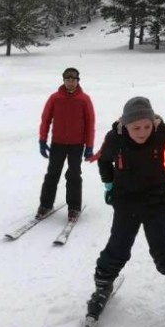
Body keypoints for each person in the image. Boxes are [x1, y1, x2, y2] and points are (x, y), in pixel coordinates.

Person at [85, 96, 165, 327]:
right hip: (125, 202)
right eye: (136, 127)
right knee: (117, 249)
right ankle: (102, 287)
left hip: (156, 202)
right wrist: (109, 183)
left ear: (153, 122)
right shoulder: (115, 137)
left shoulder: (164, 135)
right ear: (126, 124)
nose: (142, 132)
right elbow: (104, 161)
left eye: (147, 126)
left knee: (163, 253)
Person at [36, 67, 96, 222]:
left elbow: (90, 124)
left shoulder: (84, 99)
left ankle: (74, 207)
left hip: (77, 145)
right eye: (68, 79)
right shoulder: (55, 98)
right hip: (58, 144)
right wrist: (42, 140)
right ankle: (45, 205)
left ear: (77, 81)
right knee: (52, 174)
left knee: (74, 175)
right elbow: (46, 119)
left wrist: (89, 146)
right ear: (63, 80)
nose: (70, 82)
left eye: (73, 80)